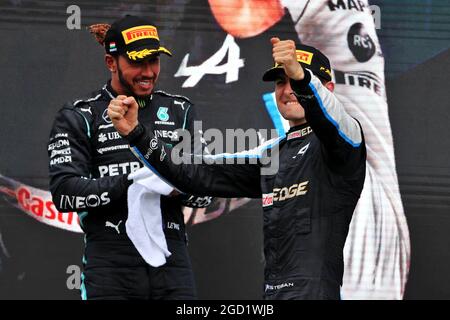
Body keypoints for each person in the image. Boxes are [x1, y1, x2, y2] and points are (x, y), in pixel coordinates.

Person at [108, 38, 367, 299]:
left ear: (329, 88)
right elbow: (197, 172)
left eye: (294, 79)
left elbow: (332, 118)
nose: (288, 89)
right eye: (281, 81)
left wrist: (302, 77)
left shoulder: (345, 140)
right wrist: (137, 134)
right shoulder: (271, 156)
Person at [47, 15, 210, 300]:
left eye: (154, 61)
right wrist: (133, 182)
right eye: (137, 62)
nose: (148, 72)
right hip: (110, 260)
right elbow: (64, 193)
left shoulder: (179, 111)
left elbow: (207, 191)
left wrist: (174, 180)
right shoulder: (81, 114)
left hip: (171, 258)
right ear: (111, 62)